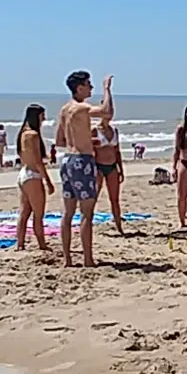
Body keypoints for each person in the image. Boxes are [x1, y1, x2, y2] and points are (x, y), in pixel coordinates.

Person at [55, 71, 114, 268]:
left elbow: (59, 140)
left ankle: (67, 259)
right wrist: (107, 89)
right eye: (88, 84)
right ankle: (88, 259)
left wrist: (85, 138)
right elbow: (107, 112)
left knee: (68, 212)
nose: (91, 87)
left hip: (68, 160)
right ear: (79, 88)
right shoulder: (81, 107)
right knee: (86, 213)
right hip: (82, 160)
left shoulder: (64, 110)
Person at [16, 104, 55, 251]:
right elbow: (38, 161)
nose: (44, 119)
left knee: (24, 212)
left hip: (24, 173)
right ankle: (42, 244)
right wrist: (48, 181)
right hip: (33, 175)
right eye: (42, 116)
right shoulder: (33, 134)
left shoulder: (22, 133)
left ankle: (20, 244)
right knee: (38, 214)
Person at [92, 113, 125, 235]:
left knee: (114, 199)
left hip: (112, 167)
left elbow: (117, 151)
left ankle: (119, 226)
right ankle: (88, 224)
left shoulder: (114, 130)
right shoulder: (95, 130)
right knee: (94, 197)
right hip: (99, 167)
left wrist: (120, 168)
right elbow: (89, 149)